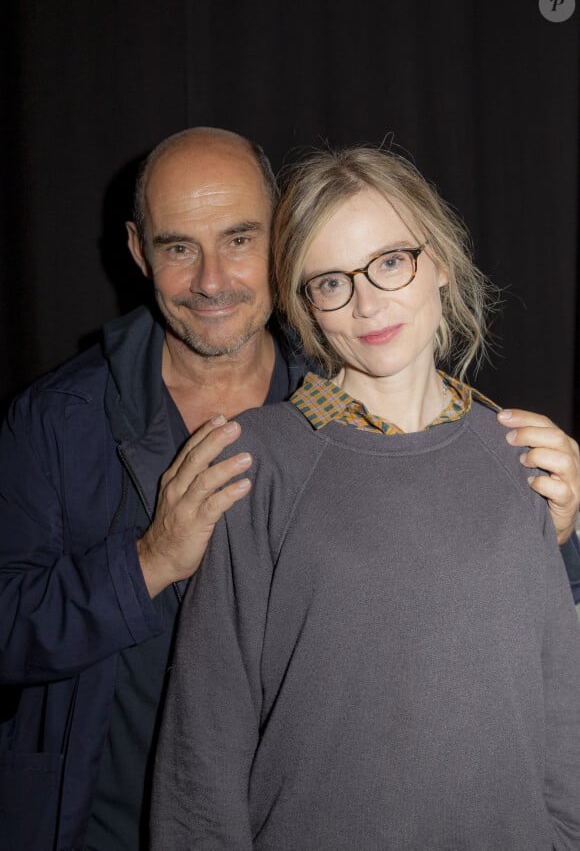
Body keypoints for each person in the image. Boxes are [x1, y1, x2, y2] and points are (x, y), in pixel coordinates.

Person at [0, 128, 578, 851]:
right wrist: (149, 559)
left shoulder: (352, 391)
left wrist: (561, 528)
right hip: (102, 812)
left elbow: (506, 647)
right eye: (179, 246)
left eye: (239, 239)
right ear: (139, 251)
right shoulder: (61, 419)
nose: (211, 279)